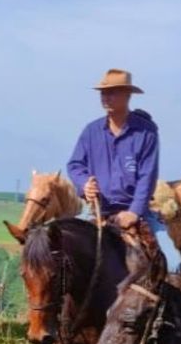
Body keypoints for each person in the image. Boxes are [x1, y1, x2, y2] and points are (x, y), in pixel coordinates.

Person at [66, 69, 160, 230]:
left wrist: (134, 212)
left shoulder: (146, 132)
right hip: (97, 210)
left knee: (164, 247)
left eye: (112, 93)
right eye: (103, 93)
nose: (105, 98)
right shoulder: (91, 131)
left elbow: (147, 176)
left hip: (136, 211)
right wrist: (84, 184)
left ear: (128, 95)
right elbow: (75, 165)